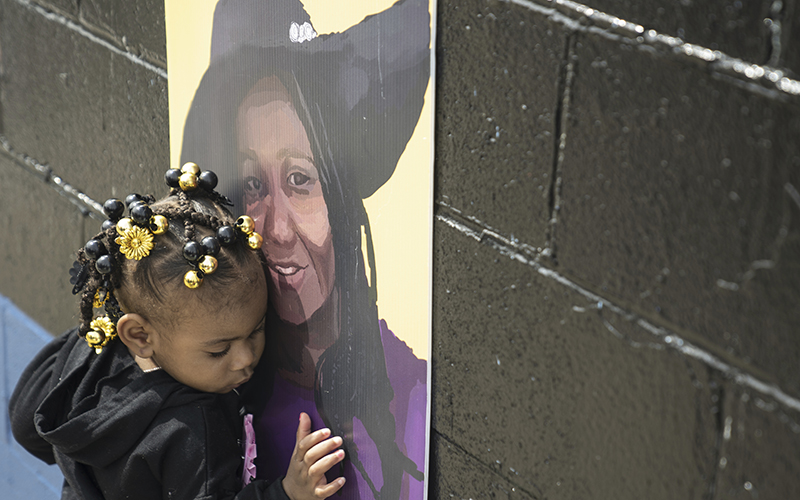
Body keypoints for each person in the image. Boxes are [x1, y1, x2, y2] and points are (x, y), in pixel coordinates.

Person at [179, 1, 431, 499]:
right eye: (253, 183)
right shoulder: (209, 366)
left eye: (299, 179)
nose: (274, 228)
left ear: (341, 200)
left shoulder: (413, 395)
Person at [8, 165, 346, 500]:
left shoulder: (93, 357)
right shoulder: (193, 428)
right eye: (219, 350)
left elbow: (26, 424)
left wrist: (110, 309)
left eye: (258, 330)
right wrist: (287, 493)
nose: (246, 359)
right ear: (139, 336)